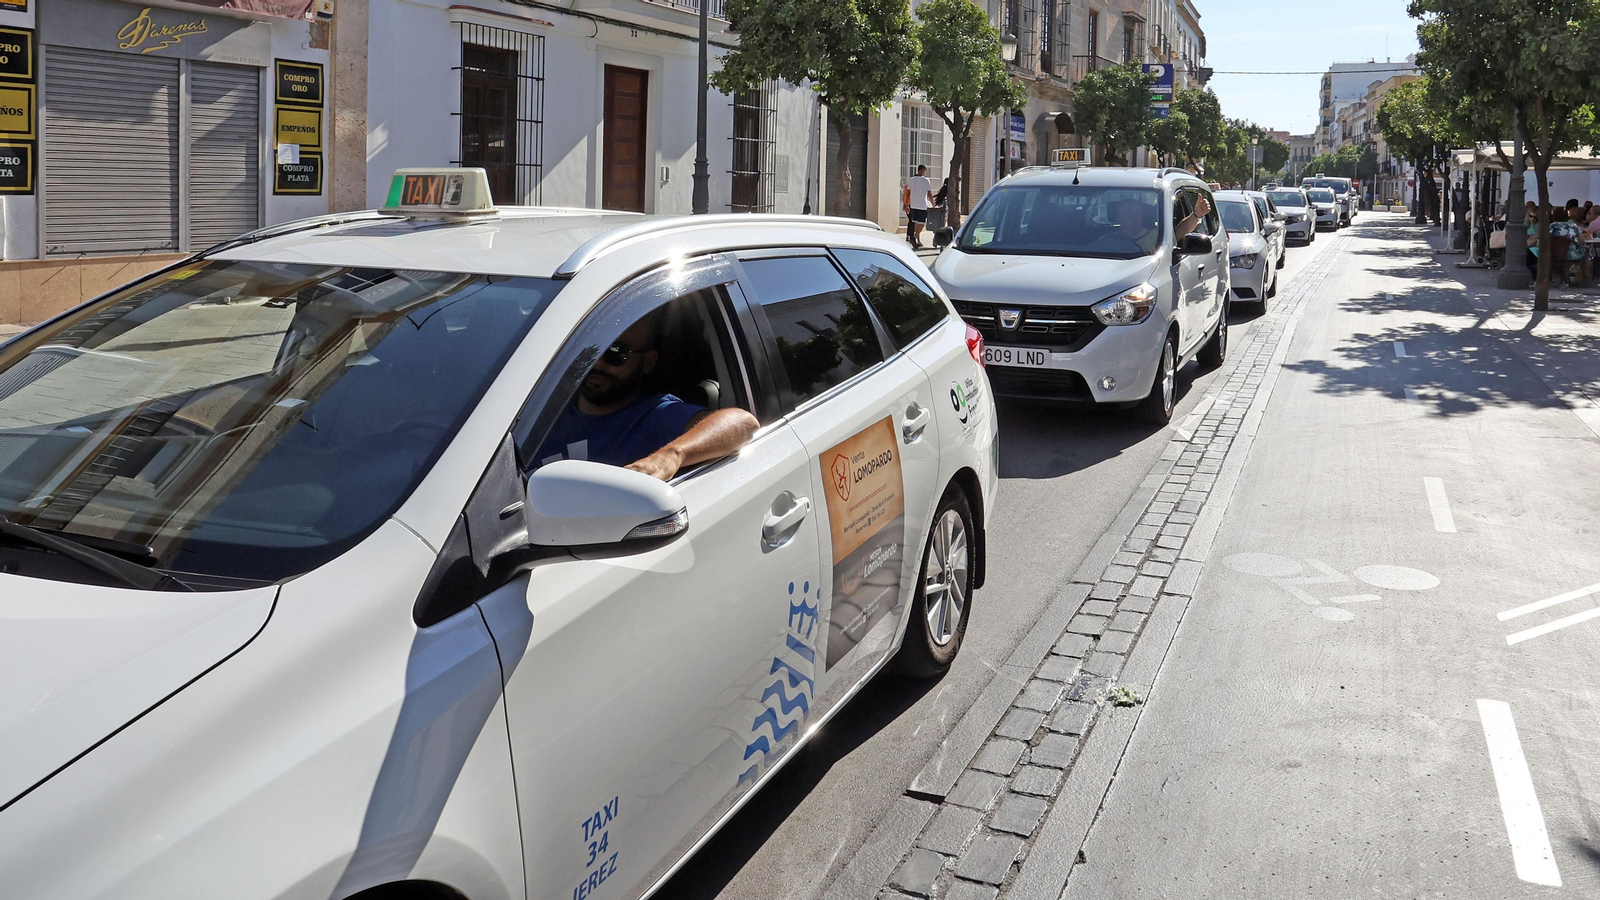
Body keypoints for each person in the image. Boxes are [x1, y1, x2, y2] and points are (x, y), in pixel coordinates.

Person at [536, 314, 759, 481]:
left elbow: (743, 422)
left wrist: (671, 455)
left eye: (617, 353)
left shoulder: (655, 416)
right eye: (590, 351)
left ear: (648, 362)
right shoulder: (539, 408)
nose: (597, 363)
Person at [1095, 195, 1210, 256]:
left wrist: (1196, 214)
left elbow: (1180, 231)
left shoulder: (1157, 235)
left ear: (1142, 215)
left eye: (1134, 212)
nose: (1129, 217)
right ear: (1118, 217)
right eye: (1124, 213)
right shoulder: (1108, 240)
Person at [903, 165, 936, 250]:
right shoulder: (926, 181)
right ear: (923, 171)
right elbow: (929, 194)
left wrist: (906, 205)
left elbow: (907, 193)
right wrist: (933, 204)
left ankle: (914, 237)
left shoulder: (912, 180)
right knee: (922, 223)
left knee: (915, 222)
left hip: (913, 205)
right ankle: (915, 236)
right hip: (922, 205)